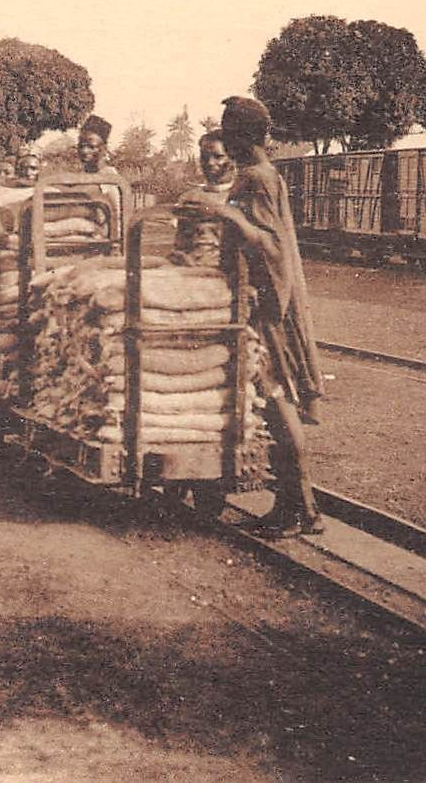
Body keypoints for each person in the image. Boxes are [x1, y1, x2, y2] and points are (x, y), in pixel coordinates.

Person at [179, 96, 325, 537]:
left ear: (241, 138)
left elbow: (271, 245)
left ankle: (298, 509)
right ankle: (303, 507)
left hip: (266, 310)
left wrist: (225, 213)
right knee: (275, 404)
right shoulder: (262, 176)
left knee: (278, 404)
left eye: (229, 132)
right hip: (264, 303)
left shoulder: (257, 179)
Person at [169, 131, 235, 267]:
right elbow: (180, 244)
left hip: (226, 273)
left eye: (218, 157)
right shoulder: (189, 198)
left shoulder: (241, 196)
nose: (210, 163)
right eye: (205, 157)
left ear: (232, 159)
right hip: (190, 272)